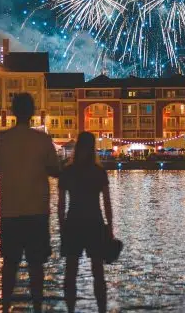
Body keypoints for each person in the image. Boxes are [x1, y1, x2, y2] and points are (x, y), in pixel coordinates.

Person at [0, 93, 61, 313]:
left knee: (9, 264)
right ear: (33, 112)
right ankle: (37, 307)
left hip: (10, 212)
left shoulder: (1, 139)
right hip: (37, 211)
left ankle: (6, 307)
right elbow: (54, 170)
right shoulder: (43, 140)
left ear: (12, 112)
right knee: (37, 265)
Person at [58, 132, 114, 313]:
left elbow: (61, 204)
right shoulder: (98, 172)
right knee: (98, 272)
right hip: (95, 222)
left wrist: (61, 227)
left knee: (70, 272)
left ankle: (70, 308)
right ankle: (101, 308)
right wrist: (110, 228)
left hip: (73, 222)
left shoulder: (67, 171)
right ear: (93, 148)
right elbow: (106, 202)